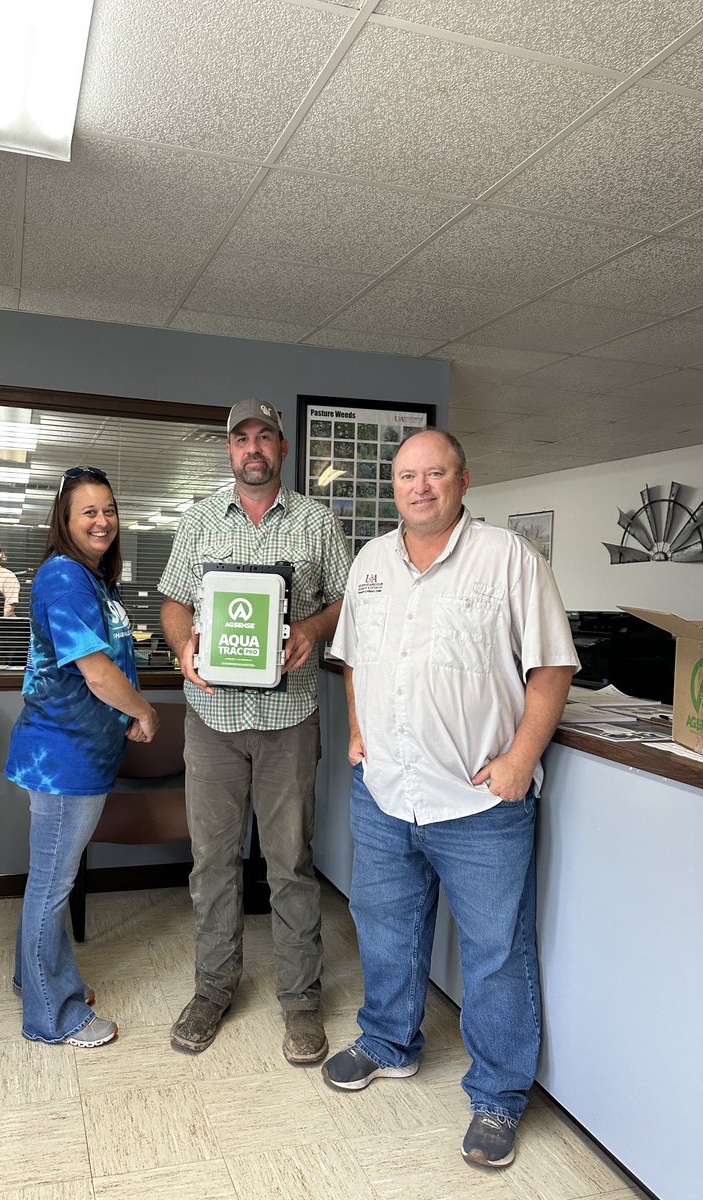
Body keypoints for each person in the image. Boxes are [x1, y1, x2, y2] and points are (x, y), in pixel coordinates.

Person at [323, 428, 579, 1167]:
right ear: (393, 485)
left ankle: (498, 1097)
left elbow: (552, 669)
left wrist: (518, 761)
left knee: (496, 953)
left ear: (463, 480)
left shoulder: (510, 560)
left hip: (479, 807)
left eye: (435, 473)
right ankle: (388, 1041)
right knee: (384, 929)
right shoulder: (371, 563)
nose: (421, 486)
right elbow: (354, 659)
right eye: (407, 475)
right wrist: (360, 730)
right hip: (384, 795)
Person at [159, 398, 351, 1065]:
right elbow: (174, 604)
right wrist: (184, 647)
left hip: (288, 718)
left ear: (282, 448)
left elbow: (341, 603)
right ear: (229, 451)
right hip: (211, 721)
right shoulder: (200, 520)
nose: (252, 449)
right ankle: (213, 989)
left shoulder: (318, 523)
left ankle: (300, 1000)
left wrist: (310, 631)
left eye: (264, 437)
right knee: (212, 863)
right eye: (240, 438)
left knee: (291, 866)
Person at [5, 466, 160, 1047]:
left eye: (108, 510)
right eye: (87, 512)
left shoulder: (94, 580)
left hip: (82, 753)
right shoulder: (65, 578)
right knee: (52, 884)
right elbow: (96, 673)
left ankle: (34, 977)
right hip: (61, 757)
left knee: (48, 879)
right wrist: (143, 712)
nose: (102, 521)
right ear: (65, 521)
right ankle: (56, 1014)